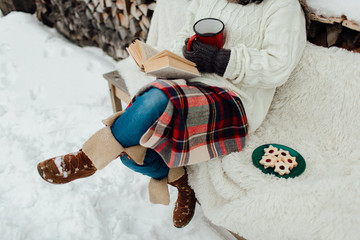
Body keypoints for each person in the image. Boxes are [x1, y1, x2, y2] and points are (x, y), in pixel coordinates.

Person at [37, 0, 307, 228]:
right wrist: (187, 49)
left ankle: (88, 158)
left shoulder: (282, 6)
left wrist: (219, 59)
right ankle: (181, 181)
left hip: (235, 100)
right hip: (190, 82)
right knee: (131, 152)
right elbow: (181, 35)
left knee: (155, 98)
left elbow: (278, 66)